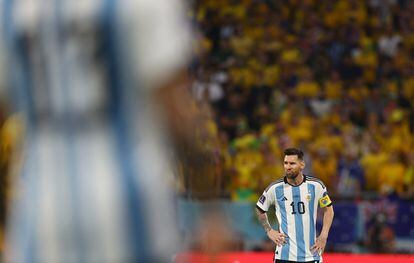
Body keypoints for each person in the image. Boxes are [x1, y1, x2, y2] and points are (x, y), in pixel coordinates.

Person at [0, 0, 196, 261]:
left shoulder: (11, 9)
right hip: (129, 208)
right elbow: (176, 106)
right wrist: (211, 209)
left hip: (43, 214)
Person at [256, 148, 334, 263]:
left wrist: (324, 235)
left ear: (302, 165)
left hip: (311, 254)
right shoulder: (275, 188)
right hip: (284, 255)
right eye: (285, 163)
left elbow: (329, 210)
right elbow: (260, 209)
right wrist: (269, 231)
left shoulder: (316, 186)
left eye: (292, 163)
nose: (288, 167)